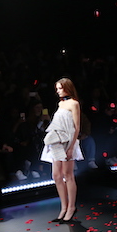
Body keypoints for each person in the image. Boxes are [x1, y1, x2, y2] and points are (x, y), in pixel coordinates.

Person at [40, 78, 83, 224]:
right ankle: (64, 207)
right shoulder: (60, 103)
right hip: (57, 141)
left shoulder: (74, 103)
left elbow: (76, 127)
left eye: (60, 88)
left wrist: (71, 147)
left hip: (68, 141)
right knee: (56, 175)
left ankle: (71, 207)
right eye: (57, 88)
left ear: (67, 88)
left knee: (68, 175)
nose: (57, 91)